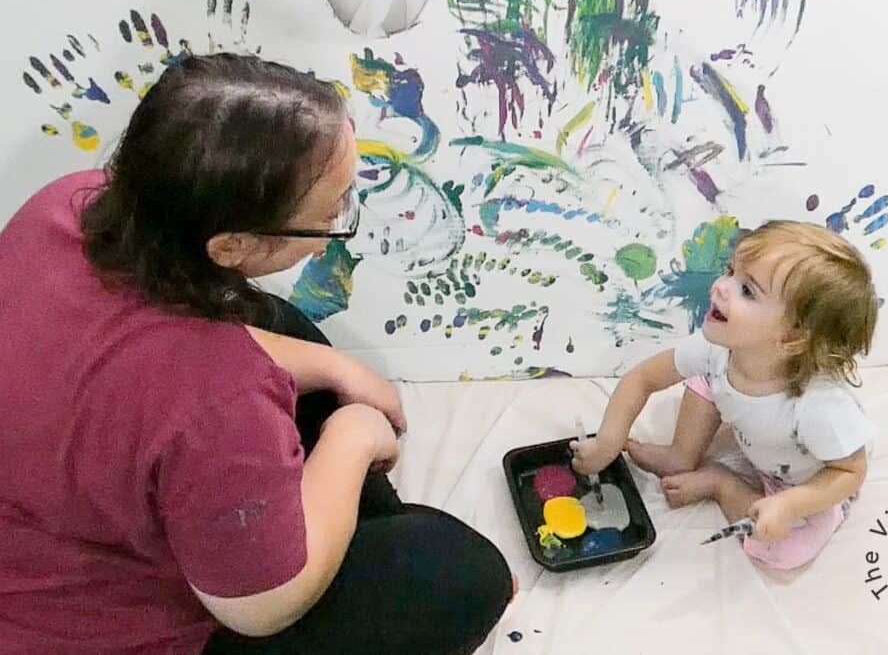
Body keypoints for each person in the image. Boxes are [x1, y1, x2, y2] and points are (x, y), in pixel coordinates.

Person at [0, 53, 513, 653]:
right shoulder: (217, 400)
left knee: (278, 325)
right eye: (331, 212)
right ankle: (337, 532)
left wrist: (335, 367)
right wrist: (353, 436)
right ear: (232, 244)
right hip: (104, 621)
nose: (339, 222)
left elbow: (163, 362)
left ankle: (335, 526)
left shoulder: (70, 203)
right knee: (461, 572)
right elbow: (261, 610)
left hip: (49, 514)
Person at [570, 221, 879, 570]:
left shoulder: (818, 407)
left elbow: (850, 472)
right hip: (758, 436)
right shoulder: (717, 347)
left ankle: (722, 483)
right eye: (731, 271)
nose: (720, 287)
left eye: (748, 290)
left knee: (784, 551)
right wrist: (608, 442)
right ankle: (681, 455)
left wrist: (791, 504)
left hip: (803, 481)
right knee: (707, 377)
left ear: (793, 338)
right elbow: (642, 378)